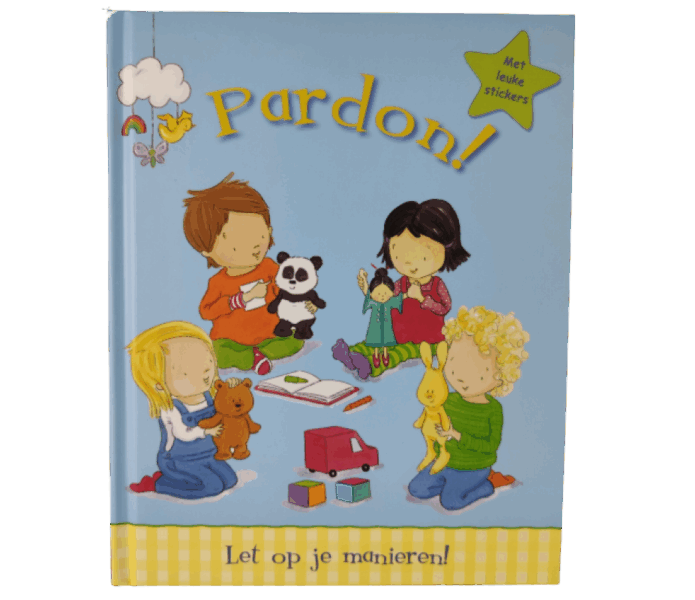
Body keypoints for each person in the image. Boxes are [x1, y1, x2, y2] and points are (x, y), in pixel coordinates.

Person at [183, 173, 314, 375]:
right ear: (207, 250)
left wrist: (303, 303)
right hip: (231, 340)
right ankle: (250, 357)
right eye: (238, 239)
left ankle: (258, 354)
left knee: (294, 341)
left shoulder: (269, 267)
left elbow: (287, 290)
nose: (253, 245)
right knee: (218, 353)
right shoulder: (218, 282)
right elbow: (206, 311)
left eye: (259, 234)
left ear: (269, 231)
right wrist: (240, 300)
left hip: (270, 334)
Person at [408, 306, 529, 511]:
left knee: (451, 502)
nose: (462, 377)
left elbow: (490, 446)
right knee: (417, 489)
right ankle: (451, 483)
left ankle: (489, 484)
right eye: (454, 364)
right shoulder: (448, 399)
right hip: (444, 461)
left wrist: (456, 434)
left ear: (501, 375)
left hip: (473, 467)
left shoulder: (492, 410)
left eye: (480, 373)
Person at [334, 199, 469, 378]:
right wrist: (367, 289)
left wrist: (422, 299)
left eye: (423, 257)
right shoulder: (402, 283)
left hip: (426, 339)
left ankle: (369, 366)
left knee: (397, 354)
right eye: (399, 255)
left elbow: (445, 307)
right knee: (376, 342)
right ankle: (352, 353)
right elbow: (385, 300)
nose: (410, 264)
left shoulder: (437, 285)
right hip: (396, 334)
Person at [126, 321, 239, 499]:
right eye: (187, 371)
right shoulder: (171, 408)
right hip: (179, 460)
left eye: (207, 364)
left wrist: (231, 388)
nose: (204, 374)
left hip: (209, 455)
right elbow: (182, 433)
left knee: (230, 480)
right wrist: (205, 431)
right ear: (159, 384)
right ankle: (158, 483)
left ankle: (173, 479)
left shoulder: (208, 396)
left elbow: (226, 405)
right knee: (213, 487)